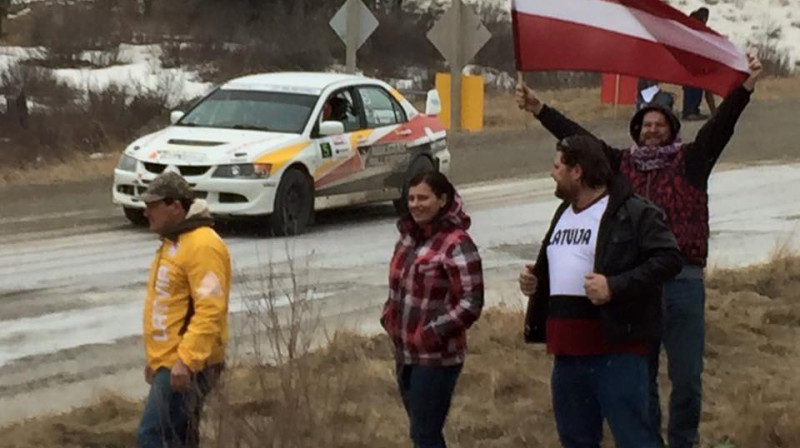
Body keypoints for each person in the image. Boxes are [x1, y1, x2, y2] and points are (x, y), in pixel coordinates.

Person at [516, 55, 763, 448]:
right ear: (636, 131)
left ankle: (684, 440)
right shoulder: (620, 167)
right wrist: (540, 109)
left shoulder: (691, 161)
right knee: (639, 372)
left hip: (681, 278)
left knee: (686, 376)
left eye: (659, 124)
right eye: (645, 125)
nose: (652, 130)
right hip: (631, 284)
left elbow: (721, 125)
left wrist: (744, 88)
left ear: (671, 129)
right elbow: (580, 140)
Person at [520, 135, 683, 448]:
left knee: (635, 437)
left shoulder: (632, 211)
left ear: (577, 171)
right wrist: (536, 283)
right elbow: (564, 266)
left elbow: (669, 258)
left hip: (616, 350)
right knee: (575, 439)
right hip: (567, 354)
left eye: (557, 167)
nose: (551, 173)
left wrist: (615, 286)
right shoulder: (563, 214)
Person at [380, 170, 484, 448]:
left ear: (442, 200)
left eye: (423, 198)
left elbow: (471, 302)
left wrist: (432, 332)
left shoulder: (457, 243)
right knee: (421, 432)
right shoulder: (408, 238)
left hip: (437, 358)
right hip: (405, 354)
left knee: (424, 434)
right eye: (411, 198)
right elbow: (399, 288)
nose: (415, 204)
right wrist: (388, 317)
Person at [137, 172, 231, 448]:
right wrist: (156, 360)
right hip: (171, 362)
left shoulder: (202, 244)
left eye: (152, 205)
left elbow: (209, 310)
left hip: (188, 363)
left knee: (153, 437)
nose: (145, 212)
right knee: (179, 436)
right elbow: (170, 307)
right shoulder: (174, 242)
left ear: (176, 206)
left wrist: (185, 362)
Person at [682, 8, 718, 120]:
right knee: (693, 87)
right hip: (693, 61)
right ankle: (690, 111)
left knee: (693, 87)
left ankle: (691, 110)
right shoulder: (694, 27)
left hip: (691, 61)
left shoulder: (688, 25)